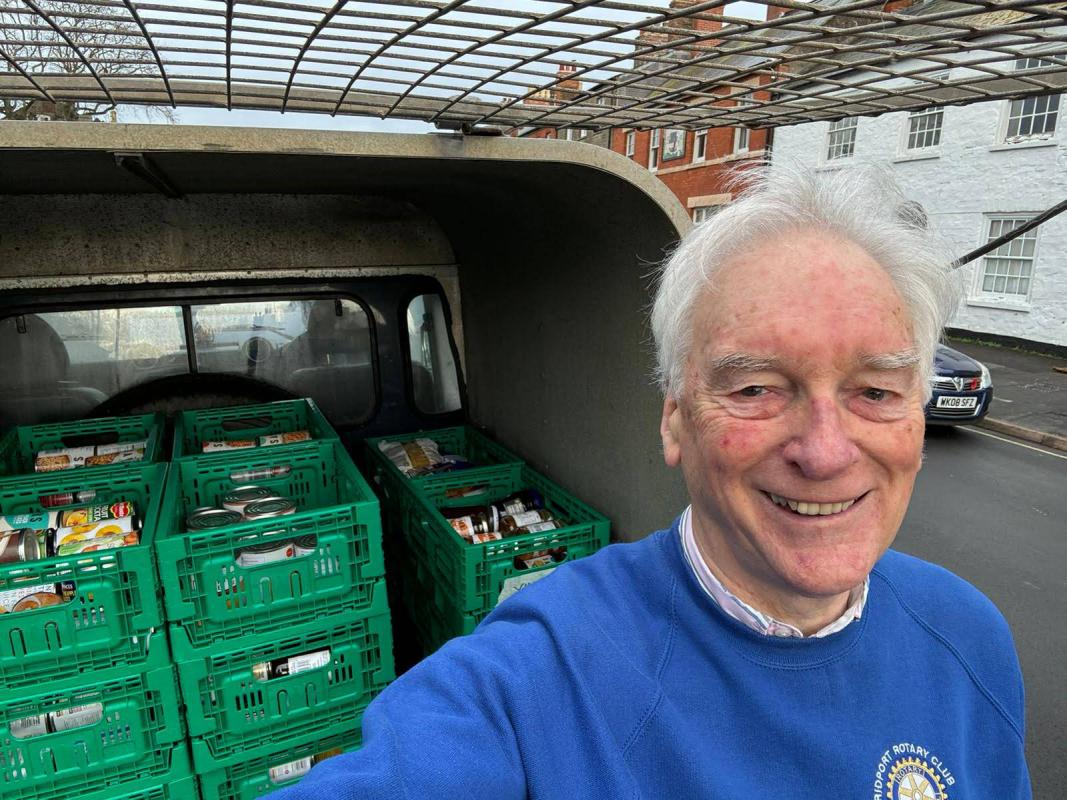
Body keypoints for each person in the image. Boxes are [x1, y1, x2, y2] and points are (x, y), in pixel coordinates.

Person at [267, 166, 1031, 799]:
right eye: (757, 388)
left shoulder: (967, 635)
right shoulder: (541, 674)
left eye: (874, 390)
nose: (825, 452)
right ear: (673, 422)